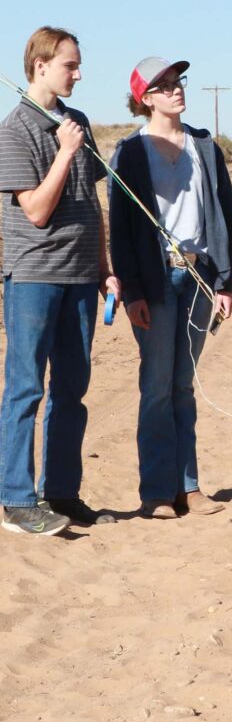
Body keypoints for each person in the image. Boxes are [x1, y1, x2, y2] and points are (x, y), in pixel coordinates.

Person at [0, 27, 121, 536]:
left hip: (78, 276)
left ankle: (62, 492)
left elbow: (90, 205)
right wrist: (65, 151)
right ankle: (15, 499)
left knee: (72, 388)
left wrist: (106, 269)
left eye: (78, 64)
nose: (78, 73)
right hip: (33, 275)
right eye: (70, 65)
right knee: (26, 388)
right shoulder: (15, 129)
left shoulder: (77, 120)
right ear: (40, 65)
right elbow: (37, 211)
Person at [109, 57, 232, 520]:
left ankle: (189, 487)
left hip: (200, 278)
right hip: (156, 281)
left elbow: (226, 216)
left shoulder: (205, 147)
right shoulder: (129, 152)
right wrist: (133, 293)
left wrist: (226, 280)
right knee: (157, 387)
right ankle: (157, 492)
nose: (176, 91)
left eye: (178, 82)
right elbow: (120, 230)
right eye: (164, 86)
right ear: (145, 99)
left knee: (184, 385)